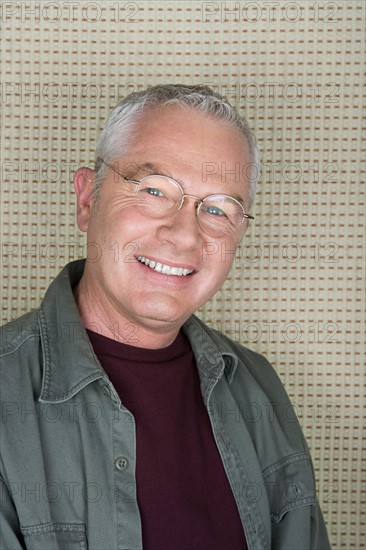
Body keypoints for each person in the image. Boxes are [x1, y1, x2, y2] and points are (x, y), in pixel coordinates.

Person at [0, 84, 331, 550]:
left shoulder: (257, 384)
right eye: (154, 190)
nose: (183, 234)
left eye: (217, 208)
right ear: (87, 198)